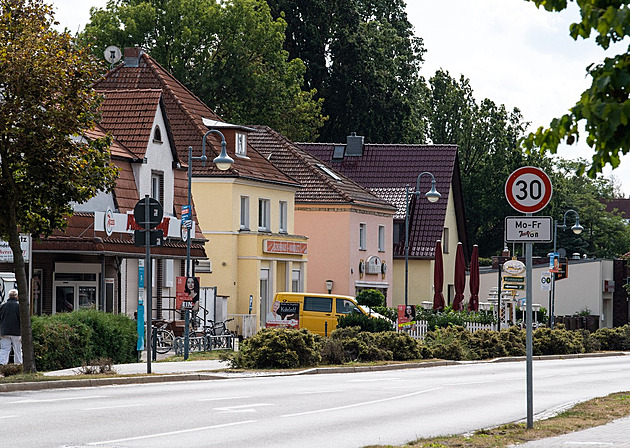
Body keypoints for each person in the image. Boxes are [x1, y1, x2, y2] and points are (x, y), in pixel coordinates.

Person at [0, 289, 22, 365]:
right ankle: (18, 365)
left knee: (4, 349)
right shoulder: (19, 307)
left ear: (9, 296)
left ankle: (2, 364)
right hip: (16, 332)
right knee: (17, 350)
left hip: (4, 331)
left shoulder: (2, 306)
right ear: (17, 296)